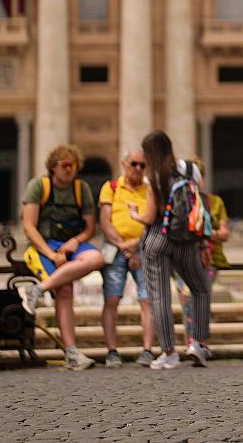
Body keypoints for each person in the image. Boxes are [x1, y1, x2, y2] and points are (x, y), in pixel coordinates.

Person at [18, 145, 105, 371]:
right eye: (65, 165)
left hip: (70, 244)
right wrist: (50, 254)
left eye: (73, 165)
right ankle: (72, 352)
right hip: (42, 245)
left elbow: (90, 228)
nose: (69, 169)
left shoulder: (81, 188)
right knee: (65, 289)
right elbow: (29, 226)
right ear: (53, 167)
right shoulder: (39, 185)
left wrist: (76, 241)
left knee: (96, 258)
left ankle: (38, 290)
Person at [131, 131, 212, 369]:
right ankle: (197, 343)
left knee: (159, 297)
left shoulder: (152, 176)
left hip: (158, 238)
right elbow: (200, 206)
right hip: (185, 239)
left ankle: (169, 353)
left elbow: (150, 216)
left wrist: (135, 214)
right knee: (201, 288)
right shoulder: (190, 170)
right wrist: (203, 243)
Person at [98, 150, 156, 368]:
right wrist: (126, 248)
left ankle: (148, 350)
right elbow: (105, 222)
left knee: (147, 300)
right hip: (116, 250)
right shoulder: (111, 187)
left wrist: (136, 245)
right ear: (124, 164)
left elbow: (154, 221)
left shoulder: (150, 189)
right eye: (134, 164)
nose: (138, 168)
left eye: (143, 165)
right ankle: (112, 351)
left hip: (144, 249)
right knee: (112, 299)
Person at [177, 161, 230, 359]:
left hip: (210, 259)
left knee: (201, 296)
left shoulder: (214, 202)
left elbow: (224, 233)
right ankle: (192, 343)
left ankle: (201, 343)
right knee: (187, 299)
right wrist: (204, 232)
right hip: (184, 258)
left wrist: (203, 233)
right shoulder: (178, 200)